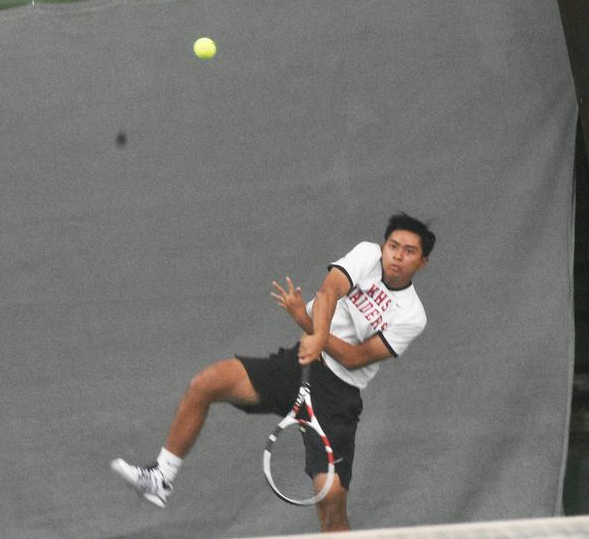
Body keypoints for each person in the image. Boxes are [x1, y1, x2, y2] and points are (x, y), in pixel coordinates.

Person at [111, 213, 435, 532]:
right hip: (298, 365)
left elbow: (354, 357)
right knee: (206, 383)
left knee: (331, 503)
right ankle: (161, 477)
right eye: (393, 246)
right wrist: (317, 335)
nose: (398, 255)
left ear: (422, 262)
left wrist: (310, 326)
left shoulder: (412, 315)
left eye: (409, 251)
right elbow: (328, 292)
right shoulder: (367, 254)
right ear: (383, 246)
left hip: (338, 396)